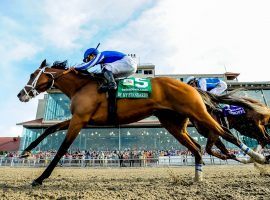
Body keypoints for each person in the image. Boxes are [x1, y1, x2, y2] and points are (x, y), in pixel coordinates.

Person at [73, 44, 137, 91]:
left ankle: (112, 85)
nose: (88, 61)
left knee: (106, 68)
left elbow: (88, 65)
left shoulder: (101, 55)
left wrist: (75, 67)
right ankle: (114, 86)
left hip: (128, 62)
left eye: (88, 59)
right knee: (105, 74)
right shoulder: (103, 63)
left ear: (92, 55)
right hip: (130, 69)